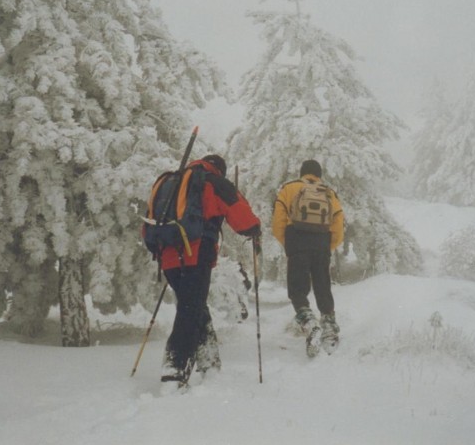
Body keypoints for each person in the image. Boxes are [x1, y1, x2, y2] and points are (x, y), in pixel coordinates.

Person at [145, 154, 261, 382]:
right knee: (190, 308)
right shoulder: (213, 182)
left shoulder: (172, 182)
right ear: (221, 169)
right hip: (196, 252)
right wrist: (254, 229)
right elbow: (241, 216)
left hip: (167, 255)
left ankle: (209, 362)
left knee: (193, 305)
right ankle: (175, 366)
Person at [271, 159, 344, 354]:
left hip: (297, 242)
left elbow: (278, 222)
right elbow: (338, 224)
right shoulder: (328, 192)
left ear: (302, 172)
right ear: (319, 175)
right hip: (321, 244)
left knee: (297, 289)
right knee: (322, 285)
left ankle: (310, 322)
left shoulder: (289, 189)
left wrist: (289, 243)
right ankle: (329, 326)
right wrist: (328, 246)